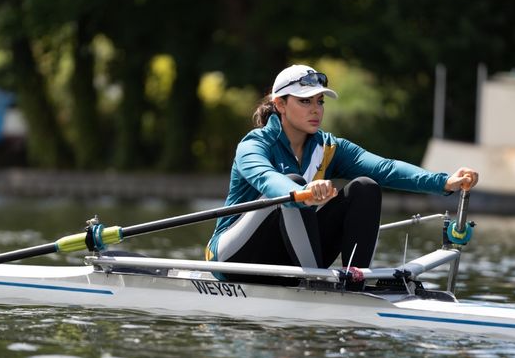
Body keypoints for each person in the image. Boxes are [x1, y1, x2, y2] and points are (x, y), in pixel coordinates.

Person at [205, 64, 478, 287]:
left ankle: (353, 284)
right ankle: (314, 282)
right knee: (292, 183)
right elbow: (267, 179)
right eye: (304, 101)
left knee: (365, 187)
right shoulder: (254, 145)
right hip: (234, 259)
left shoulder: (329, 148)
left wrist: (443, 181)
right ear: (280, 105)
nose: (315, 109)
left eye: (319, 101)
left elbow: (385, 168)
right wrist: (301, 193)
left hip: (288, 257)